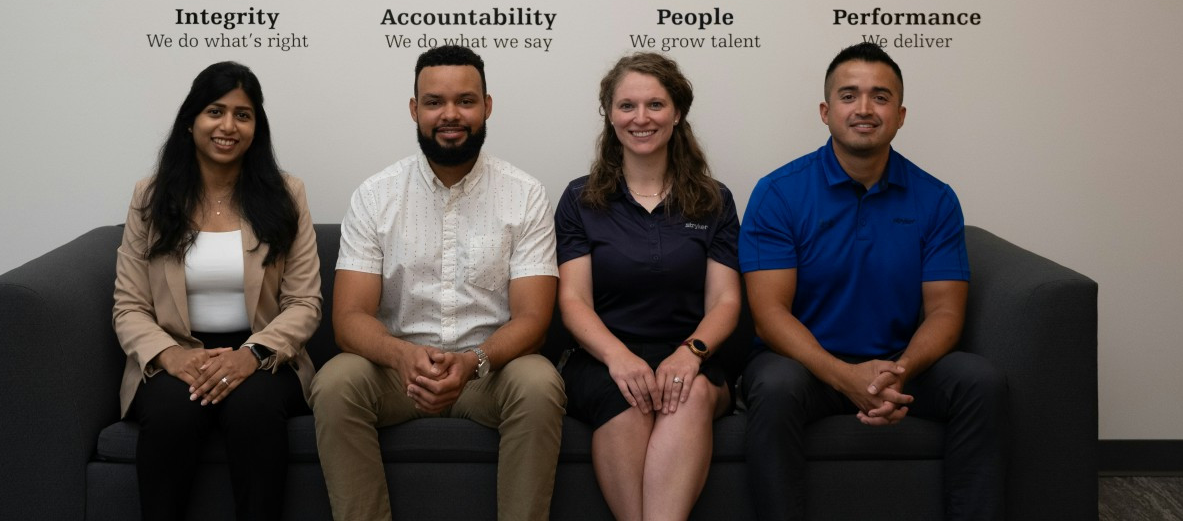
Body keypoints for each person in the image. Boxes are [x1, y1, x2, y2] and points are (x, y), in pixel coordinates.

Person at [739, 42, 1007, 521]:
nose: (864, 108)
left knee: (978, 381)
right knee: (775, 386)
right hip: (806, 368)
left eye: (880, 97)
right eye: (849, 96)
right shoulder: (779, 193)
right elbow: (769, 313)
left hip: (900, 367)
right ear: (825, 112)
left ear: (901, 115)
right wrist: (845, 378)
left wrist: (896, 374)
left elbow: (946, 311)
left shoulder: (936, 198)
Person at [310, 45, 565, 521]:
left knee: (540, 383)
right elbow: (348, 320)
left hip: (490, 372)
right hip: (395, 373)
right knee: (335, 382)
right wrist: (403, 357)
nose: (451, 114)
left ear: (488, 106)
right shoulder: (375, 195)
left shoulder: (525, 195)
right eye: (434, 102)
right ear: (415, 109)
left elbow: (534, 319)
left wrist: (473, 362)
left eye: (466, 101)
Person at [112, 61, 322, 521]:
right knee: (171, 410)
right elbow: (129, 306)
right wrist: (172, 357)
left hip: (265, 354)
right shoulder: (150, 198)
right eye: (215, 111)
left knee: (254, 405)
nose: (228, 126)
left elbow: (305, 303)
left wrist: (251, 354)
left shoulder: (287, 195)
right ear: (191, 121)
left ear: (256, 127)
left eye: (243, 115)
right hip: (175, 353)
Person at [554, 52, 741, 521]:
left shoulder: (714, 199)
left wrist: (690, 353)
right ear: (609, 114)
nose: (641, 118)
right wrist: (618, 358)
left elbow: (726, 300)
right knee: (630, 396)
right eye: (627, 106)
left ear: (677, 113)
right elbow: (573, 300)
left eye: (655, 105)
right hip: (603, 359)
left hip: (690, 352)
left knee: (690, 393)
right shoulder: (580, 198)